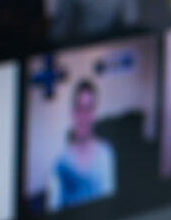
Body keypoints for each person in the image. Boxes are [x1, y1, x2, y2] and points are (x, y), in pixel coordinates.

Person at [47, 79, 118, 211]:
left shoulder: (106, 154)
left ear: (95, 113)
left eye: (88, 109)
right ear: (72, 114)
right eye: (79, 108)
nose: (84, 116)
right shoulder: (59, 165)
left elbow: (110, 206)